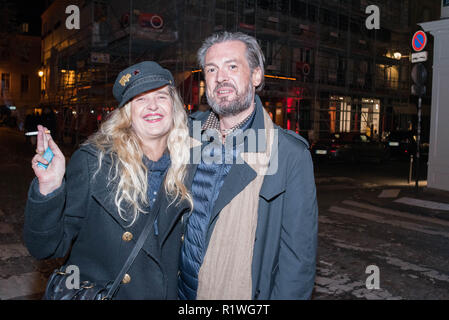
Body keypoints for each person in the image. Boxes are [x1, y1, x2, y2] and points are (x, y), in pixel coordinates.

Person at [24, 61, 193, 299]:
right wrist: (49, 189)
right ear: (127, 113)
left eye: (161, 96)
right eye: (140, 99)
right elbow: (46, 248)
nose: (152, 105)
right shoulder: (95, 162)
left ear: (173, 106)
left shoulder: (187, 165)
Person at [178, 31, 318, 300]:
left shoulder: (287, 152)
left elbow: (297, 260)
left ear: (256, 76)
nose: (220, 77)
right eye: (211, 69)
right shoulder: (187, 134)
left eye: (232, 66)